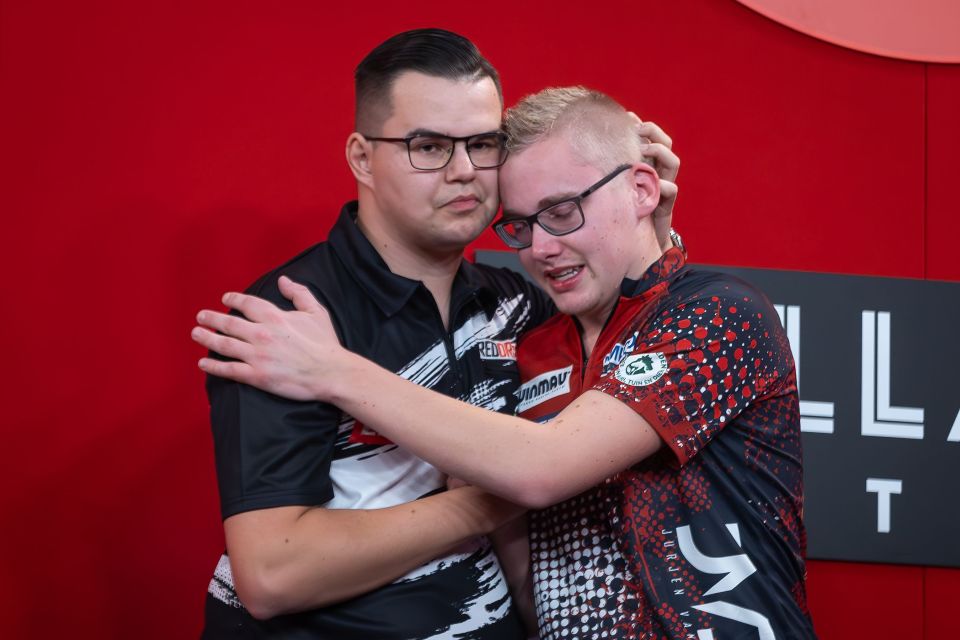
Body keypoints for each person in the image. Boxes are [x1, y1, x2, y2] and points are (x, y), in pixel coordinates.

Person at [193, 87, 815, 638]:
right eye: (519, 226)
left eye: (564, 211)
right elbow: (523, 568)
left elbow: (539, 470)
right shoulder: (530, 333)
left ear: (644, 188)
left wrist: (332, 370)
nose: (541, 248)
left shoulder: (721, 314)